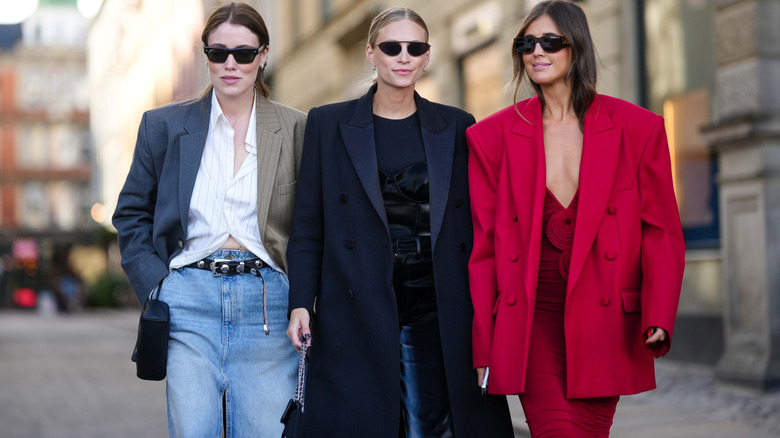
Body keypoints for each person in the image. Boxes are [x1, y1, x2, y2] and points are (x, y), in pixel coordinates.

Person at [285, 6, 514, 438]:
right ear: (371, 54)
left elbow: (477, 225)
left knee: (430, 425)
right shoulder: (328, 124)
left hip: (437, 303)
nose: (404, 56)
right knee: (365, 422)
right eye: (392, 47)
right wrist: (301, 300)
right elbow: (307, 226)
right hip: (357, 303)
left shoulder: (457, 126)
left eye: (415, 48)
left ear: (427, 57)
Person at [467, 0, 686, 436]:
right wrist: (484, 345)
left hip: (605, 325)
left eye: (551, 41)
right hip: (532, 324)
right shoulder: (490, 138)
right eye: (526, 43)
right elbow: (484, 249)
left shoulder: (638, 129)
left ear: (577, 47)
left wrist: (658, 313)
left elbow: (661, 232)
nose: (537, 51)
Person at [112, 2, 306, 436]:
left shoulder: (297, 129)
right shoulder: (163, 126)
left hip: (269, 306)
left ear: (264, 54)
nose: (231, 64)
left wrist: (304, 300)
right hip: (187, 303)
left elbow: (312, 224)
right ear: (206, 57)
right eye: (218, 53)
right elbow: (130, 214)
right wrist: (157, 286)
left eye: (244, 53)